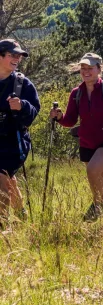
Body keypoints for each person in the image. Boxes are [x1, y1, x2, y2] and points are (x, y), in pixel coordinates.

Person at [50, 53, 103, 226]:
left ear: (99, 69)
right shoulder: (76, 93)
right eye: (83, 68)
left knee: (93, 169)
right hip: (86, 141)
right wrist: (59, 117)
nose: (86, 71)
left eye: (90, 68)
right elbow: (70, 120)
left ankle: (97, 204)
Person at [0, 39, 40, 226]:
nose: (17, 59)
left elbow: (33, 114)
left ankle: (3, 225)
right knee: (8, 179)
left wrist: (22, 106)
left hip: (14, 141)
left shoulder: (23, 84)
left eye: (19, 56)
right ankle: (21, 214)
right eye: (12, 55)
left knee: (1, 177)